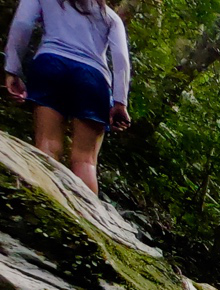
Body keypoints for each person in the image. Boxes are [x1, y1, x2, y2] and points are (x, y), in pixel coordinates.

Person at [5, 0, 131, 194]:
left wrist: (12, 68)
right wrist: (120, 102)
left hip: (51, 66)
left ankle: (44, 205)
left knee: (47, 145)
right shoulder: (109, 17)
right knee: (85, 160)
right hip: (92, 79)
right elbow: (121, 59)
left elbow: (22, 24)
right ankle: (86, 219)